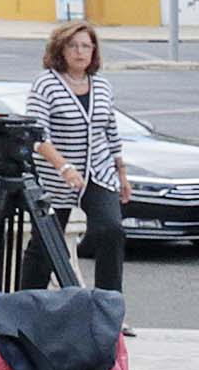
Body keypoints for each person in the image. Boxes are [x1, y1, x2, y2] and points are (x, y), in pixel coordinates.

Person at [26, 22, 129, 292]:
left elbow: (110, 131)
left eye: (86, 46)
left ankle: (108, 302)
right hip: (56, 177)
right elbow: (37, 135)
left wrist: (121, 173)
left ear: (94, 51)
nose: (80, 52)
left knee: (111, 231)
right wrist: (64, 167)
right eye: (73, 46)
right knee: (45, 243)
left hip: (98, 172)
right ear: (60, 50)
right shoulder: (46, 84)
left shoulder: (102, 85)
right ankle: (27, 302)